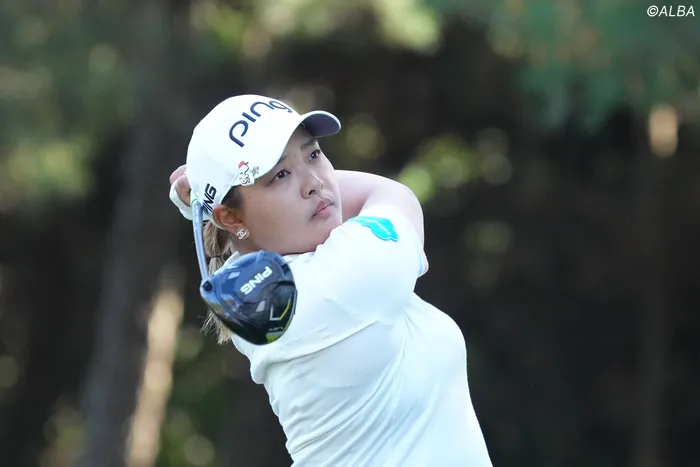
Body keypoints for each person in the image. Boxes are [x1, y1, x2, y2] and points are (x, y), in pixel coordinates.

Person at [169, 94, 493, 466]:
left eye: (313, 154)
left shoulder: (248, 286)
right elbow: (392, 194)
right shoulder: (344, 278)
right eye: (280, 175)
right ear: (230, 218)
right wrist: (209, 193)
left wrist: (216, 191)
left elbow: (247, 230)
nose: (314, 182)